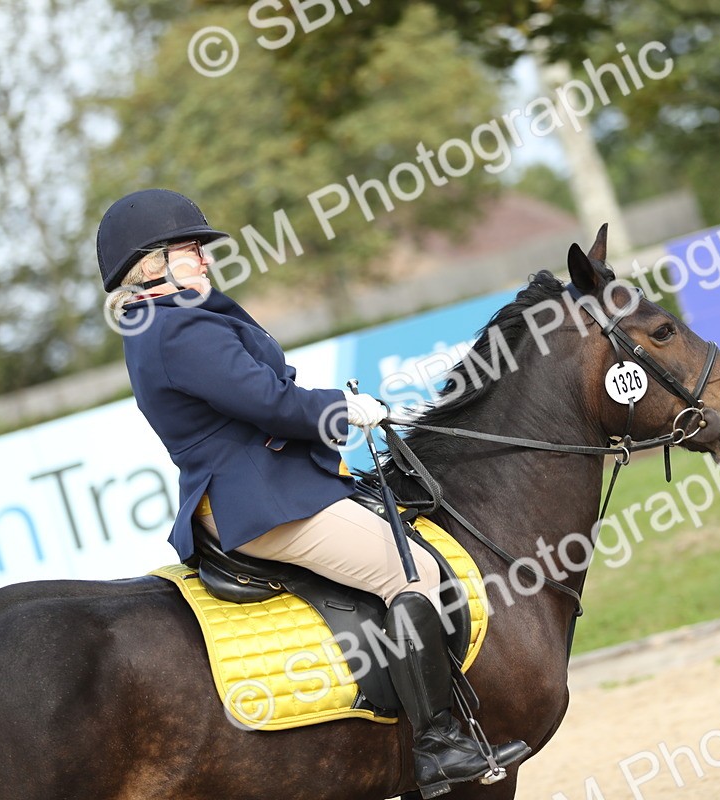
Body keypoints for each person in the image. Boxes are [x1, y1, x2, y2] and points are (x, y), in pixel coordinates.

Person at [96, 189, 528, 796]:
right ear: (150, 264)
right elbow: (268, 402)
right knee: (412, 576)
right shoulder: (175, 329)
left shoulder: (172, 321)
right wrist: (344, 410)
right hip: (260, 500)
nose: (206, 260)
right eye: (191, 250)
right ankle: (438, 743)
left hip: (273, 485)